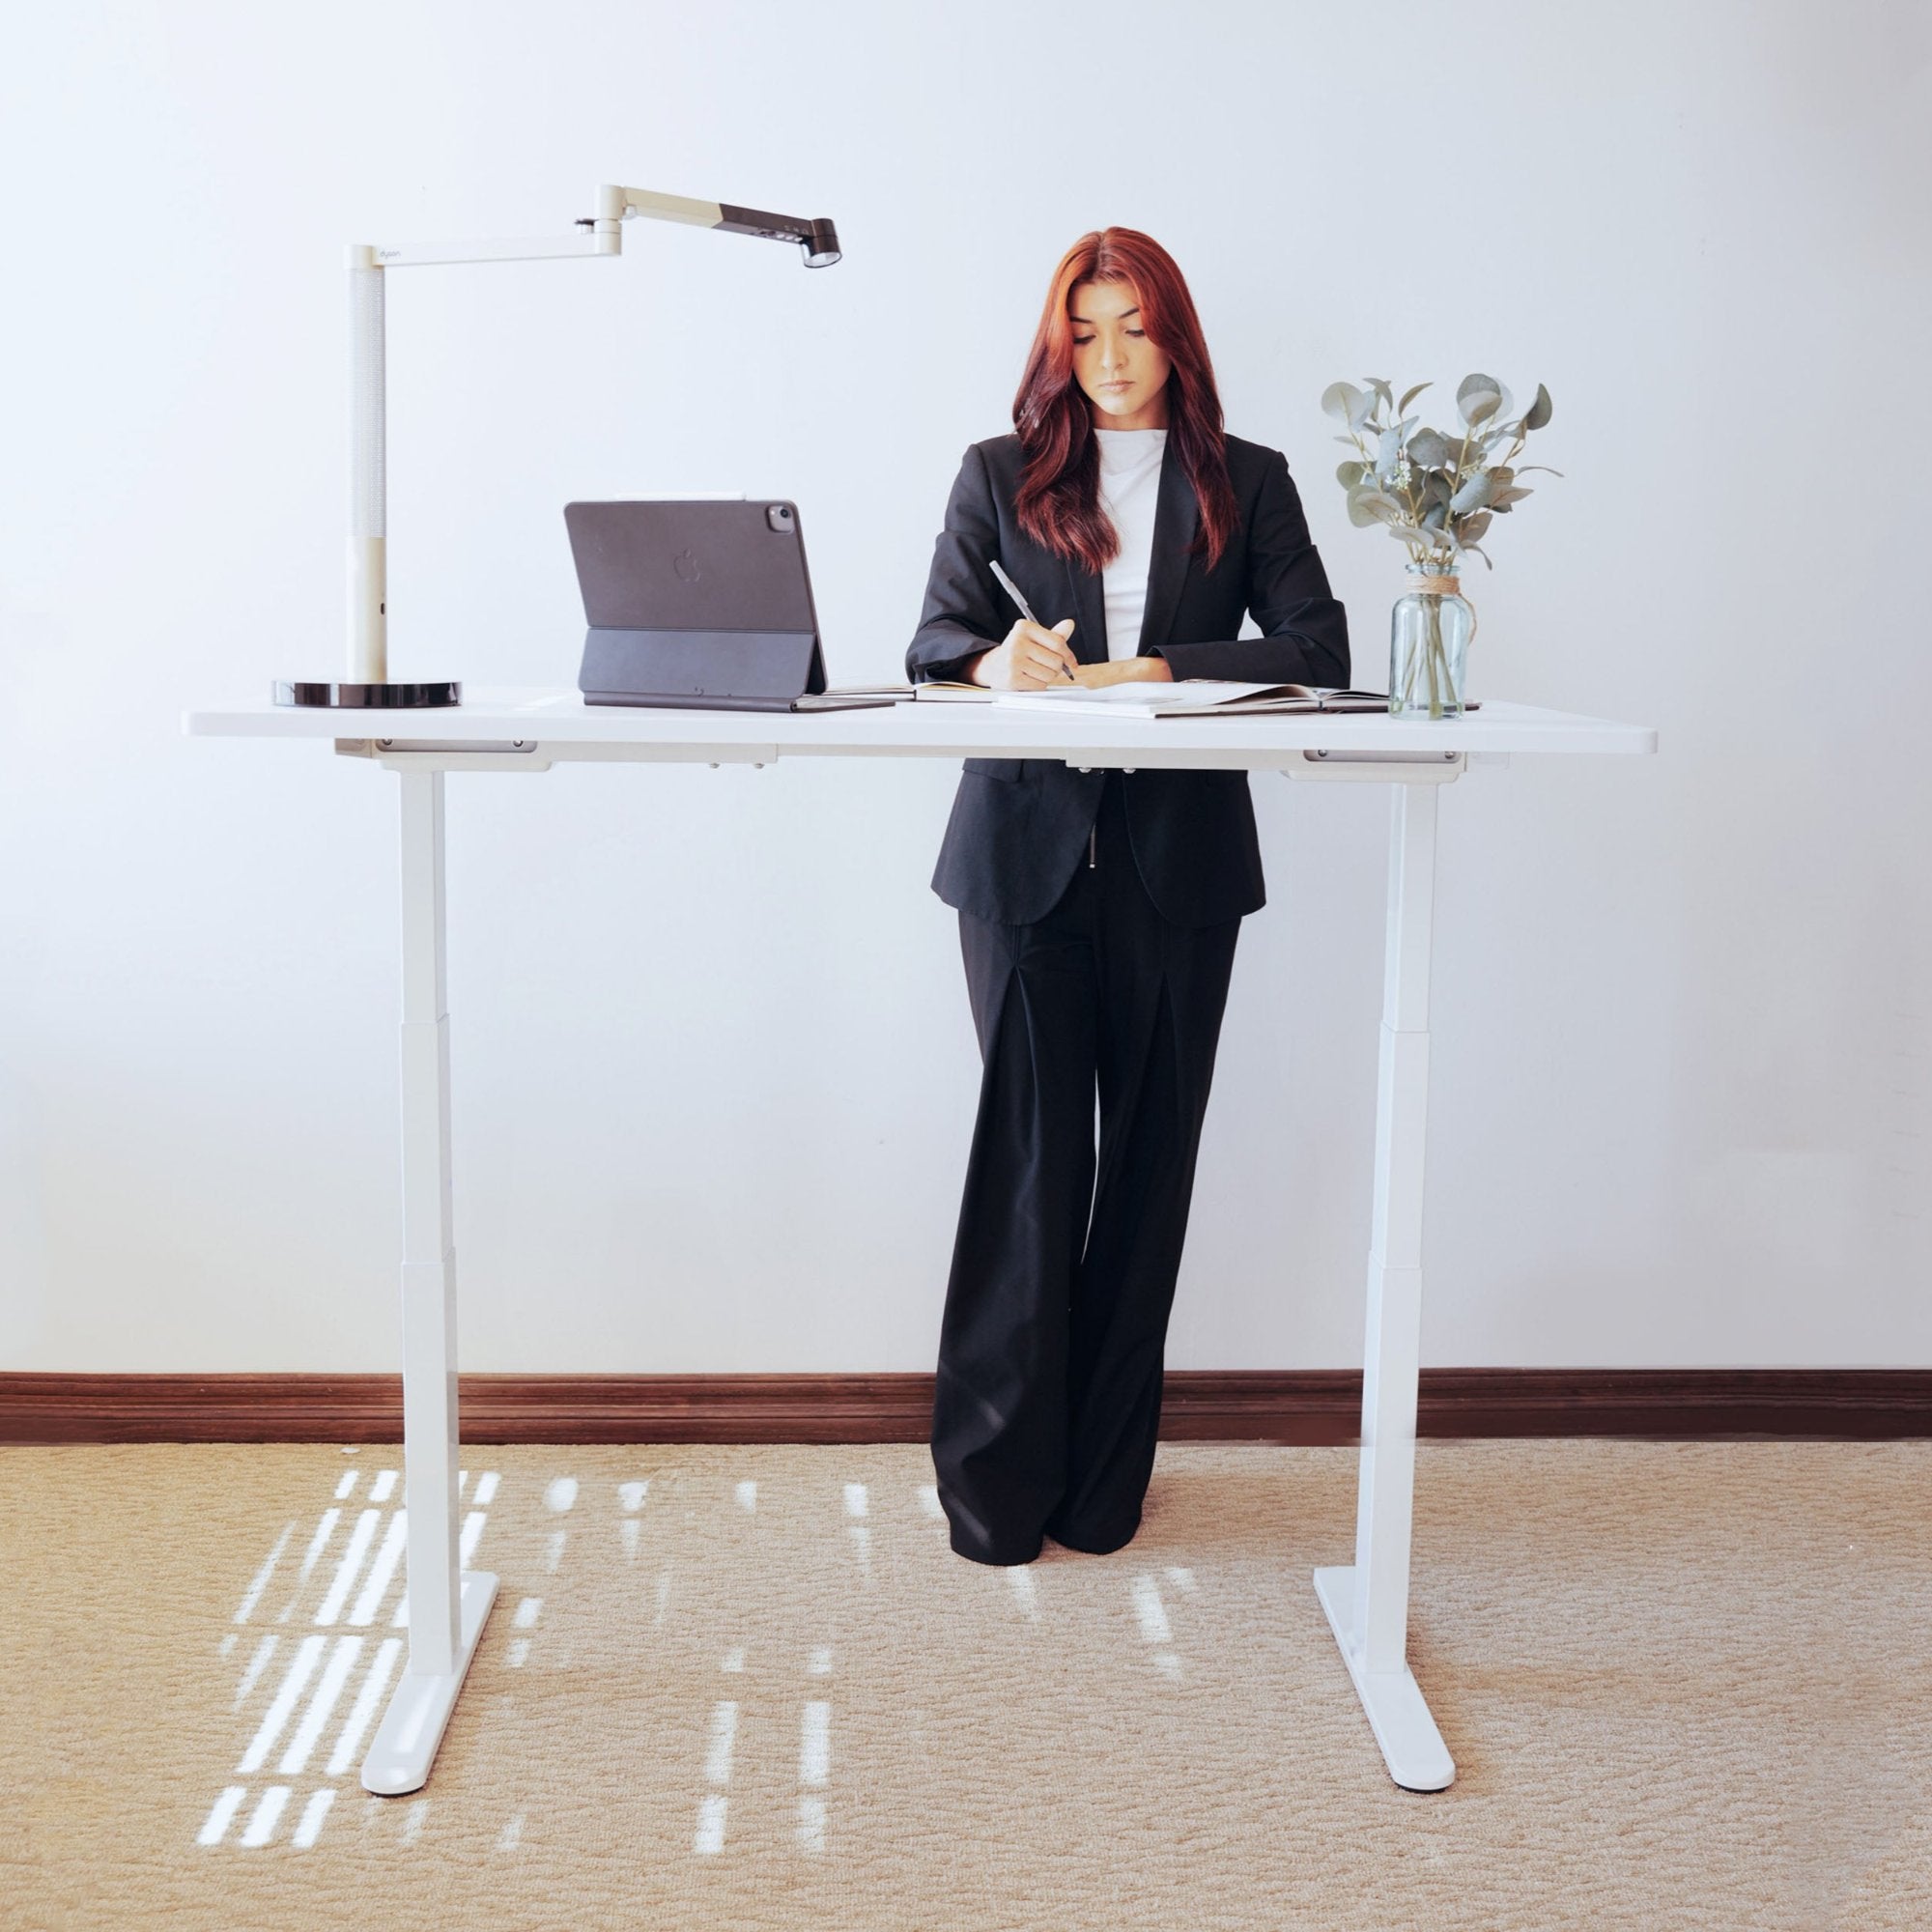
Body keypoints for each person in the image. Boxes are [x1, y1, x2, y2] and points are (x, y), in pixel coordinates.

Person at [905, 227, 1350, 1567]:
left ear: (1177, 338)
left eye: (1134, 330)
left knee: (1149, 1176)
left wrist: (1148, 665)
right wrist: (999, 668)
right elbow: (929, 639)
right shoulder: (1000, 473)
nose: (1108, 359)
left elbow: (1318, 648)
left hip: (1179, 868)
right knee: (1035, 1176)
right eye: (1084, 331)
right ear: (1060, 342)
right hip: (1024, 863)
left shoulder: (1249, 482)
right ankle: (995, 1493)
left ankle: (1103, 1492)